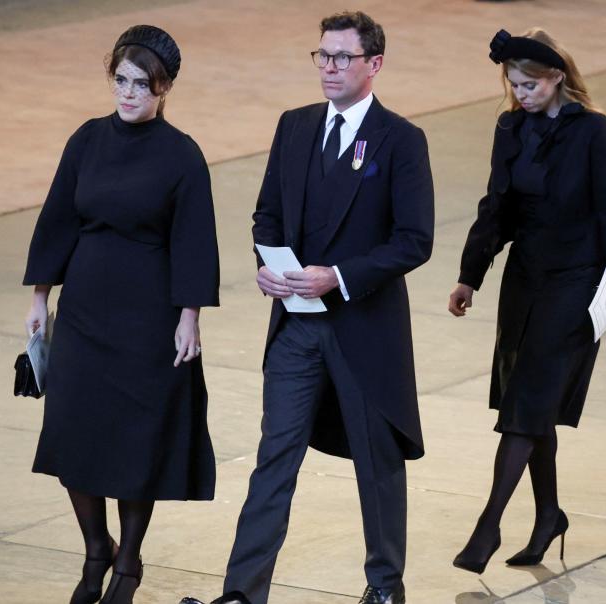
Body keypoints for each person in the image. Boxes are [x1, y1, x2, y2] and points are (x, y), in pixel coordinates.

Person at [180, 11, 434, 604]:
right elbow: (267, 212)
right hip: (296, 327)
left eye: (343, 57)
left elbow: (414, 240)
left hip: (364, 331)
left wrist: (339, 277)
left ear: (374, 64)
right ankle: (243, 593)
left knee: (377, 467)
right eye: (322, 56)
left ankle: (385, 589)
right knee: (274, 459)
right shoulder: (293, 127)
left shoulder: (401, 140)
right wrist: (267, 264)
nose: (330, 67)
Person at [23, 24, 220, 603]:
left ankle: (129, 563)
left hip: (149, 316)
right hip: (85, 308)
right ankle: (96, 552)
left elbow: (194, 241)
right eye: (121, 80)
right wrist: (39, 297)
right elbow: (58, 217)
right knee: (74, 432)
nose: (128, 93)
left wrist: (190, 316)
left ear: (164, 89)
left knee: (139, 441)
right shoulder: (86, 140)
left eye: (142, 84)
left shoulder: (182, 156)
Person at [448, 28, 606, 574]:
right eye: (513, 84)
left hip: (577, 283)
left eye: (530, 84)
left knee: (526, 407)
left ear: (558, 77)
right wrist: (470, 274)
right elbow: (497, 207)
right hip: (525, 281)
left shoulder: (596, 133)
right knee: (533, 406)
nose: (521, 93)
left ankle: (487, 526)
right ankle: (549, 515)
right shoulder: (511, 127)